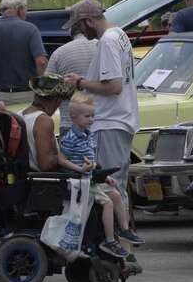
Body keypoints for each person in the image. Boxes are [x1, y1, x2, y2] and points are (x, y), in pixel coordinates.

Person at [22, 74, 142, 272]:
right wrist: (69, 160)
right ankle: (108, 242)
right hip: (52, 183)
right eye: (59, 100)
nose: (59, 105)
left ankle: (120, 235)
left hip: (42, 180)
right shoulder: (43, 121)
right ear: (54, 99)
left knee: (111, 193)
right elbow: (46, 163)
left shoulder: (23, 115)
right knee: (108, 198)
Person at [64, 0, 140, 240]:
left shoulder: (107, 41)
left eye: (79, 25)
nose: (79, 31)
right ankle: (122, 242)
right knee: (116, 184)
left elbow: (113, 86)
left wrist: (80, 82)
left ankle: (115, 242)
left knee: (109, 185)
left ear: (88, 21)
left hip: (110, 121)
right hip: (121, 119)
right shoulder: (119, 33)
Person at [59, 91, 142, 258]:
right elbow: (61, 159)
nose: (91, 119)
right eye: (87, 116)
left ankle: (125, 230)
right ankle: (109, 240)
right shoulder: (70, 138)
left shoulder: (88, 135)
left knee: (116, 195)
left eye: (92, 116)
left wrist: (104, 176)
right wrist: (79, 169)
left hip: (91, 179)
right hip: (80, 182)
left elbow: (92, 161)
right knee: (108, 203)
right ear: (74, 117)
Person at [0, 0, 48, 91]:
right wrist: (41, 86)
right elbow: (41, 62)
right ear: (19, 10)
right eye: (25, 10)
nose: (25, 14)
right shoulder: (30, 29)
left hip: (0, 93)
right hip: (26, 93)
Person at [48, 17, 99, 134]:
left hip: (70, 122)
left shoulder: (59, 53)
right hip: (100, 122)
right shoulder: (102, 47)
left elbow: (47, 89)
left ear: (71, 31)